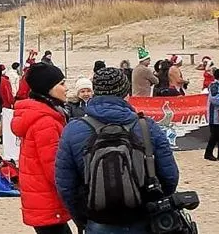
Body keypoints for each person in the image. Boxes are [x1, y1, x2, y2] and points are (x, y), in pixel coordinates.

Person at [56, 67, 180, 233]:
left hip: (98, 220)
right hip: (143, 217)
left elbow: (66, 185)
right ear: (126, 93)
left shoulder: (73, 129)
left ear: (95, 92)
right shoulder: (146, 126)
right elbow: (170, 176)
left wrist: (82, 219)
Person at [11, 62, 72, 234]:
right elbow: (54, 167)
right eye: (62, 84)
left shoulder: (45, 115)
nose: (66, 88)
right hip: (47, 200)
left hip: (40, 198)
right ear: (48, 89)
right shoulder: (46, 121)